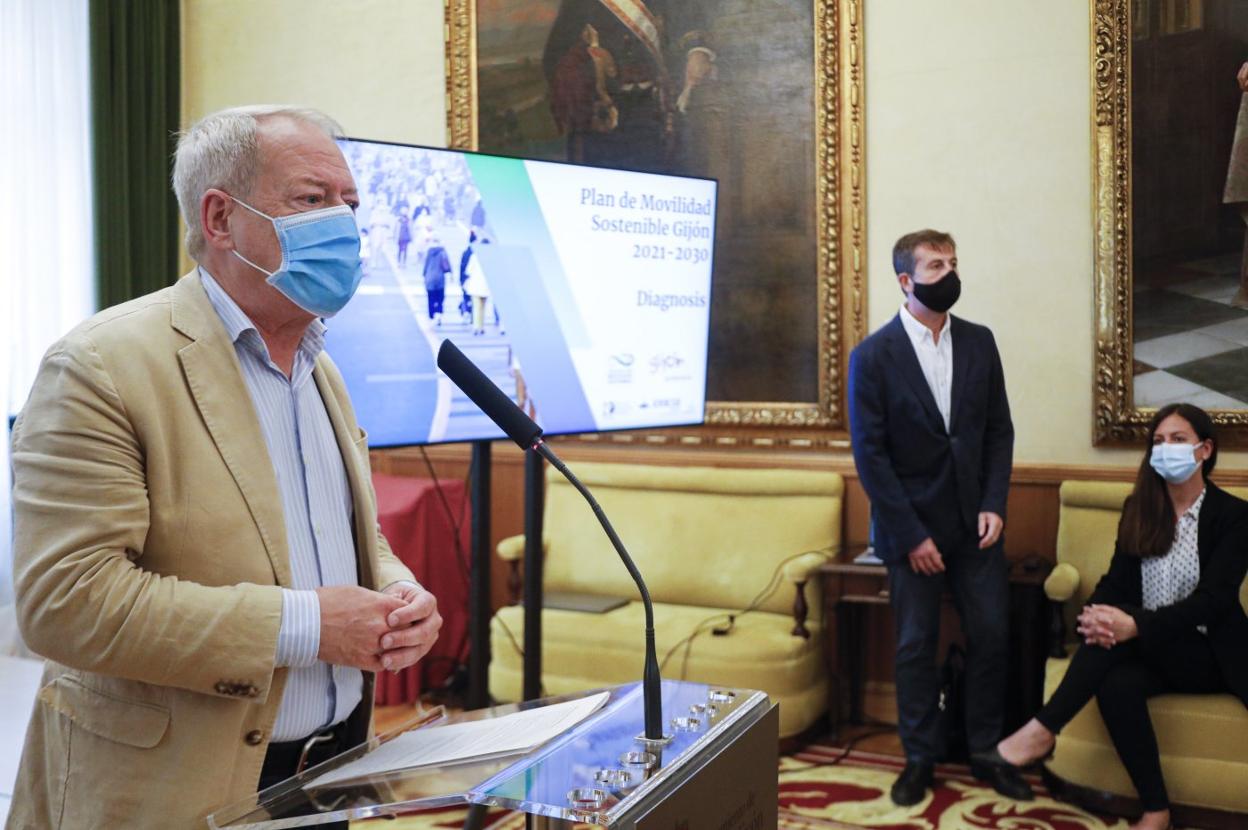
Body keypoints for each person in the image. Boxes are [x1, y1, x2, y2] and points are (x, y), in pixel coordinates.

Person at [7, 105, 443, 829]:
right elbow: (67, 603)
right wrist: (309, 626)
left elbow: (337, 534)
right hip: (173, 792)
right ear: (219, 217)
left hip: (331, 778)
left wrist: (397, 595)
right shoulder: (100, 366)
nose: (344, 223)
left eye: (350, 204)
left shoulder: (320, 367)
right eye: (312, 200)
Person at [992, 403, 1248, 830]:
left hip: (1211, 654)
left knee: (1121, 625)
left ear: (1204, 450)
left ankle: (1043, 728)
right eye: (1158, 441)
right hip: (1153, 649)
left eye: (1178, 440)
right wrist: (1096, 616)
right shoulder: (1140, 508)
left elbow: (1215, 601)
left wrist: (1134, 625)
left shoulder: (1234, 516)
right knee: (1115, 681)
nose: (1165, 449)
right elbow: (1116, 584)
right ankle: (1156, 809)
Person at [848, 229, 1023, 806]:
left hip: (977, 525)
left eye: (952, 261)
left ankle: (984, 751)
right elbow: (870, 456)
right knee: (915, 648)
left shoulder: (980, 341)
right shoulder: (872, 356)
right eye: (934, 265)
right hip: (909, 531)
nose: (948, 272)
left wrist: (995, 502)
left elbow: (998, 430)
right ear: (906, 280)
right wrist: (911, 535)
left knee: (994, 636)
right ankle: (919, 758)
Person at [422, 236, 452, 326]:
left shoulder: (428, 252)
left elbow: (425, 265)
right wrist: (450, 273)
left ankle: (432, 316)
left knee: (430, 298)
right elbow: (447, 266)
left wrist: (424, 275)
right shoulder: (443, 252)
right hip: (440, 279)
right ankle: (438, 314)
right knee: (440, 298)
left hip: (429, 278)